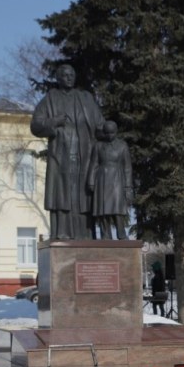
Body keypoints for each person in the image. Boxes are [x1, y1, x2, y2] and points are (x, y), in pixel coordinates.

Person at [31, 64, 105, 240]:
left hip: (85, 155)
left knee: (84, 196)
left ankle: (86, 233)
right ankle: (61, 231)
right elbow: (35, 125)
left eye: (72, 74)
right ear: (58, 78)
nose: (69, 77)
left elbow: (100, 124)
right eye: (65, 75)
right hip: (61, 155)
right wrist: (54, 122)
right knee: (62, 195)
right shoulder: (51, 98)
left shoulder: (85, 98)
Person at [87, 120, 132, 240]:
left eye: (112, 133)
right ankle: (105, 234)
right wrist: (91, 180)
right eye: (107, 133)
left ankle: (121, 233)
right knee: (103, 209)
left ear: (116, 132)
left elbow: (127, 167)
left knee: (118, 209)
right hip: (101, 178)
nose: (109, 135)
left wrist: (128, 187)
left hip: (117, 179)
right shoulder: (98, 146)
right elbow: (93, 164)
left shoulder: (122, 146)